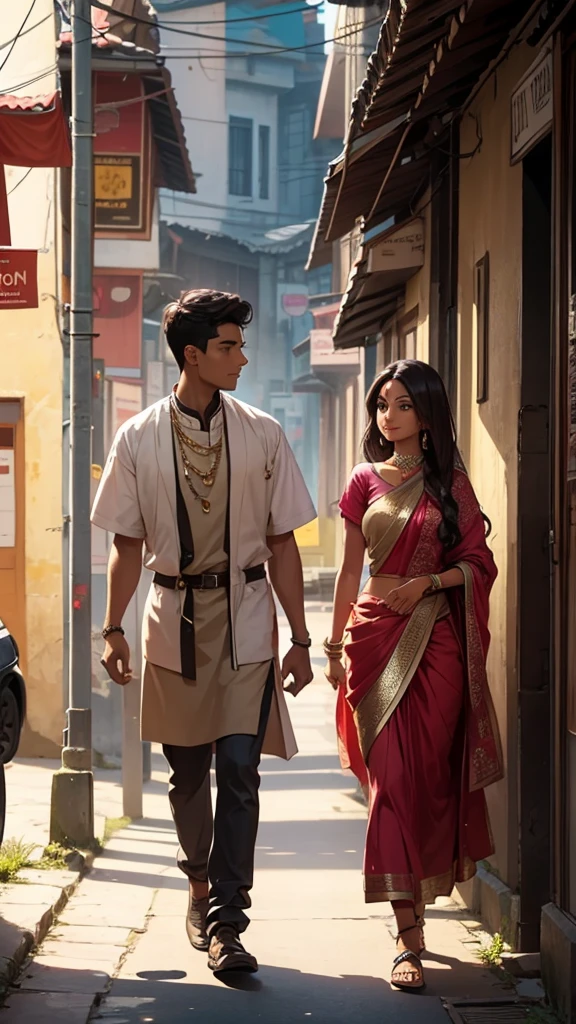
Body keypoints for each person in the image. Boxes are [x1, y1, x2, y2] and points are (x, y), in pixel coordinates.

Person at [91, 289, 316, 976]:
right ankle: (197, 883)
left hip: (247, 617)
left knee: (241, 771)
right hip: (172, 621)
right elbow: (126, 545)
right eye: (229, 346)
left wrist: (303, 640)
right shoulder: (136, 438)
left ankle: (227, 921)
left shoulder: (262, 432)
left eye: (242, 345)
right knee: (187, 774)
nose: (242, 358)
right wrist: (112, 629)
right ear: (193, 354)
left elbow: (281, 543)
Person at [324, 360, 503, 992]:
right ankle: (408, 936)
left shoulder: (450, 482)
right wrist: (335, 643)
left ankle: (421, 906)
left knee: (427, 778)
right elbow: (350, 571)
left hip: (438, 644)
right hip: (373, 637)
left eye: (402, 404)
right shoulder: (363, 481)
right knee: (390, 783)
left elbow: (480, 565)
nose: (388, 416)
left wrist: (427, 583)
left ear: (426, 415)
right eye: (382, 405)